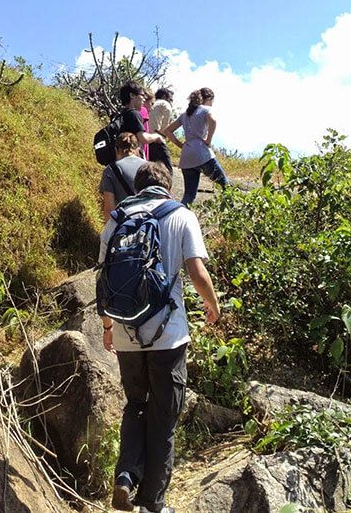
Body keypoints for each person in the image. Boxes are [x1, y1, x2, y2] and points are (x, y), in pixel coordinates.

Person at [100, 162, 221, 513]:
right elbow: (197, 272)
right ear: (167, 186)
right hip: (168, 336)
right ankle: (152, 502)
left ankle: (125, 475)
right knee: (164, 416)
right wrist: (213, 306)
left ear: (137, 187)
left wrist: (108, 329)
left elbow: (105, 281)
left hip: (125, 333)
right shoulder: (181, 215)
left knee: (136, 405)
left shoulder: (117, 220)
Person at [161, 87, 229, 206]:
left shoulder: (185, 114)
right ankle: (233, 214)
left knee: (189, 195)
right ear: (205, 99)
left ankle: (178, 216)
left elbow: (167, 131)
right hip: (202, 154)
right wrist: (208, 140)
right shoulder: (205, 110)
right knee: (225, 184)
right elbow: (213, 122)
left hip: (187, 156)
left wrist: (181, 145)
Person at [99, 132, 147, 219]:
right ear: (137, 150)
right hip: (149, 224)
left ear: (116, 150)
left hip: (126, 225)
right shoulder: (150, 167)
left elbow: (109, 209)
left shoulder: (110, 170)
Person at [117, 81, 165, 157]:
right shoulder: (134, 114)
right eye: (142, 95)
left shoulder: (120, 114)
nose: (144, 99)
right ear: (132, 95)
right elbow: (143, 138)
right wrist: (157, 136)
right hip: (132, 158)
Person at [148, 88, 175, 175]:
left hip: (146, 140)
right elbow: (166, 124)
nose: (171, 102)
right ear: (164, 97)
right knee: (167, 172)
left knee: (151, 171)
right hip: (157, 139)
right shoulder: (164, 103)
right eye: (170, 99)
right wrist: (165, 133)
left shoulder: (150, 105)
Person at [140, 91, 155, 160]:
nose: (152, 108)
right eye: (151, 104)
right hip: (141, 154)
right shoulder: (143, 111)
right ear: (144, 101)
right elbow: (143, 138)